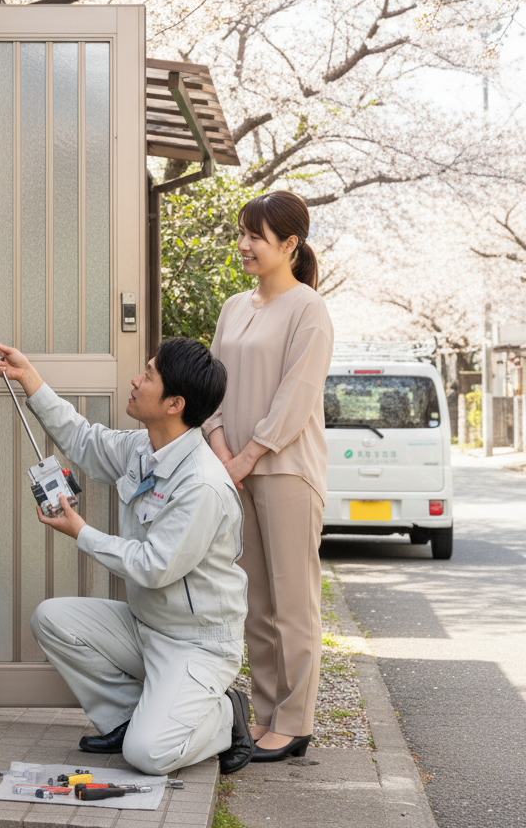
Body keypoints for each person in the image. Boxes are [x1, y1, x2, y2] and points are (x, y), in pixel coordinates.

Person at [0, 337, 255, 777]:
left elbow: (153, 566)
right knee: (51, 619)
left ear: (174, 404)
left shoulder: (203, 484)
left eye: (148, 376)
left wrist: (81, 532)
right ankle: (128, 718)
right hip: (145, 627)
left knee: (149, 755)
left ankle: (227, 714)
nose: (135, 380)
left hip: (195, 644)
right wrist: (26, 375)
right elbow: (82, 439)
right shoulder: (142, 448)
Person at [204, 189, 334, 762]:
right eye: (242, 233)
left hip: (285, 471)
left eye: (255, 236)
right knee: (254, 601)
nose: (244, 244)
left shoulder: (309, 308)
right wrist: (219, 447)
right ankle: (264, 715)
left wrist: (245, 456)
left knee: (292, 601)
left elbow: (296, 396)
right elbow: (211, 384)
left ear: (290, 243)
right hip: (233, 468)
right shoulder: (235, 306)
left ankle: (295, 721)